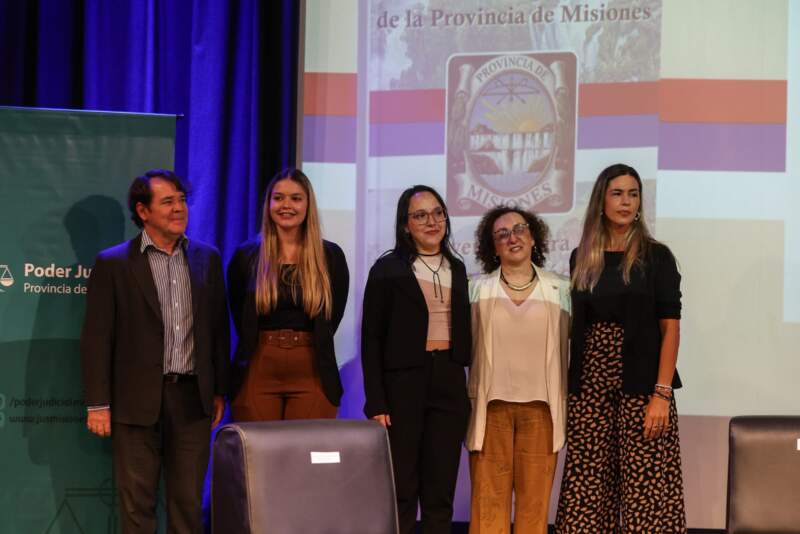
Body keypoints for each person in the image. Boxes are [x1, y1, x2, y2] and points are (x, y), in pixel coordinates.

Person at [81, 169, 230, 533]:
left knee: (188, 504)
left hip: (192, 399)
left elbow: (218, 330)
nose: (179, 208)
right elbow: (97, 338)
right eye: (168, 202)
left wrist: (219, 390)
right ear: (143, 211)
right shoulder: (113, 263)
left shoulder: (206, 258)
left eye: (182, 200)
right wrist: (98, 403)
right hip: (135, 402)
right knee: (137, 504)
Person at [555, 163, 686, 532]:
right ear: (601, 200)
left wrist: (661, 393)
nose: (626, 202)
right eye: (617, 193)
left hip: (642, 386)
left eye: (633, 194)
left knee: (647, 493)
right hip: (590, 388)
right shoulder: (582, 256)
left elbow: (671, 328)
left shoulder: (656, 256)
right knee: (587, 491)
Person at [361, 185, 471, 534]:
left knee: (440, 491)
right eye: (420, 215)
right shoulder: (387, 269)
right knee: (403, 490)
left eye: (438, 213)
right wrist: (376, 400)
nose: (432, 221)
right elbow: (372, 338)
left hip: (449, 381)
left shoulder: (458, 267)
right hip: (403, 385)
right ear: (405, 225)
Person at [467, 206, 570, 534]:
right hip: (491, 410)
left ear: (533, 236)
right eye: (502, 234)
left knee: (534, 510)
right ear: (492, 246)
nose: (512, 237)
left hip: (541, 412)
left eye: (519, 229)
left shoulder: (562, 289)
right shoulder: (476, 289)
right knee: (487, 509)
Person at [227, 168, 348, 421]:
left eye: (296, 198)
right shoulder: (246, 256)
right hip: (259, 366)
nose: (286, 205)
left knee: (306, 455)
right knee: (259, 456)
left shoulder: (331, 257)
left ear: (308, 205)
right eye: (278, 197)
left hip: (312, 368)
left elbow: (332, 317)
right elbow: (240, 315)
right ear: (268, 203)